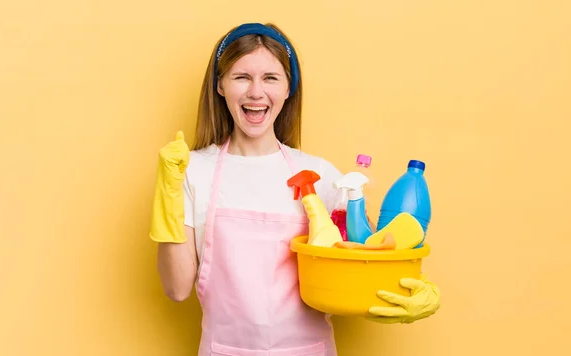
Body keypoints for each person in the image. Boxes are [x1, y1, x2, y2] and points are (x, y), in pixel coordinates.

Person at [149, 22, 440, 355]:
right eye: (241, 77)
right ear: (220, 86)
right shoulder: (191, 172)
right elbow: (176, 288)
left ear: (289, 89)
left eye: (271, 78)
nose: (256, 92)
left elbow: (370, 260)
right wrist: (167, 196)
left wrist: (417, 291)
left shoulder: (320, 175)